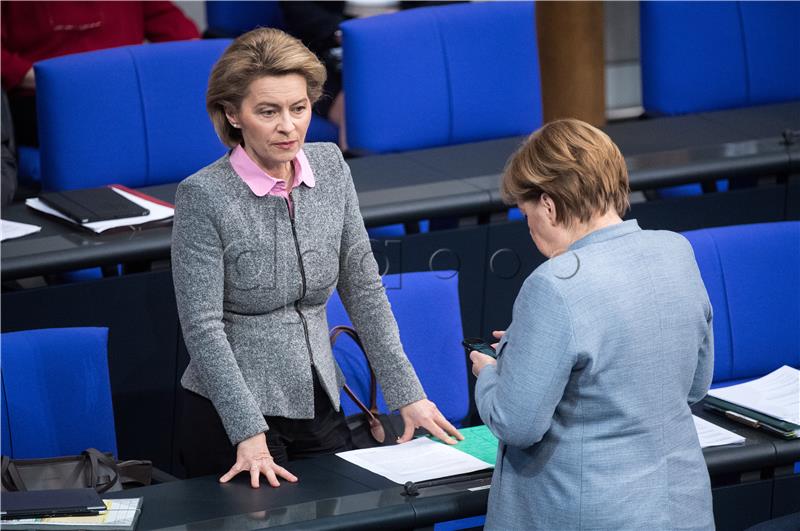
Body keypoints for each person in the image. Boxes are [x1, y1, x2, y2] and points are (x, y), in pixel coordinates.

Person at [172, 27, 462, 488]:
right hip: (234, 411)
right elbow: (202, 327)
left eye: (299, 108)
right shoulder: (202, 196)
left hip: (319, 401)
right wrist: (247, 430)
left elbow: (364, 287)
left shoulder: (329, 165)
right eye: (268, 112)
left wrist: (407, 392)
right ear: (232, 114)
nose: (288, 126)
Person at [469, 119, 715, 530]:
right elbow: (695, 385)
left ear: (547, 204)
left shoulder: (553, 284)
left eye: (526, 212)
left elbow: (516, 423)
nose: (529, 227)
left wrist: (491, 372)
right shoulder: (676, 251)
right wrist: (529, 346)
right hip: (681, 510)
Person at [1, 1, 199, 146]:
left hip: (124, 93)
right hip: (46, 99)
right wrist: (42, 79)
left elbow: (173, 25)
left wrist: (197, 56)